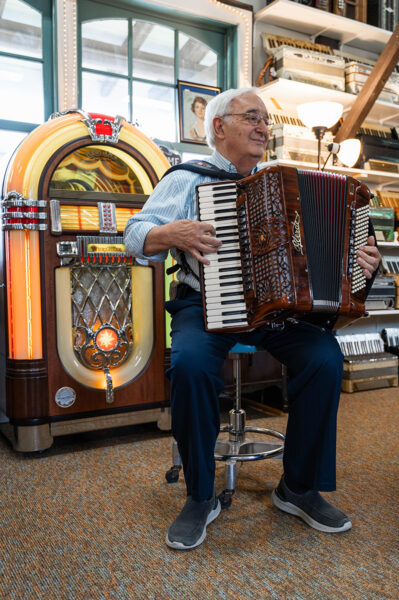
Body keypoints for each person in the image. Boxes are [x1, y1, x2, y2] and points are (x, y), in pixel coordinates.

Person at [124, 87, 381, 551]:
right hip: (205, 305)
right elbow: (134, 233)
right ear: (219, 127)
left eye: (266, 120)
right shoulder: (186, 178)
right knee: (189, 365)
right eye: (252, 117)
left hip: (275, 314)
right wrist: (171, 231)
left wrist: (361, 263)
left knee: (324, 359)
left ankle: (297, 488)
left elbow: (316, 254)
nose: (263, 127)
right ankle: (201, 496)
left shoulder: (280, 184)